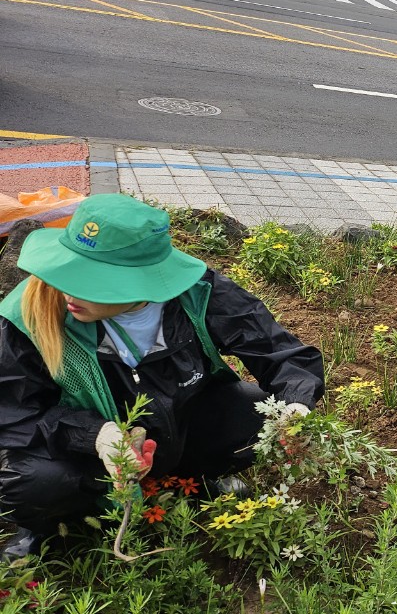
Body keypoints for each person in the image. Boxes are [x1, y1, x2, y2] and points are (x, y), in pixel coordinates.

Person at [0, 195, 324, 559]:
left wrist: (295, 406)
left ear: (142, 282)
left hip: (180, 419)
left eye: (91, 281)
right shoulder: (26, 315)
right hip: (81, 448)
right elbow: (16, 413)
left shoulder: (197, 292)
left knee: (256, 416)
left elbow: (279, 352)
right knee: (33, 480)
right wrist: (97, 436)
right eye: (70, 272)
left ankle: (194, 480)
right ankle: (43, 528)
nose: (69, 292)